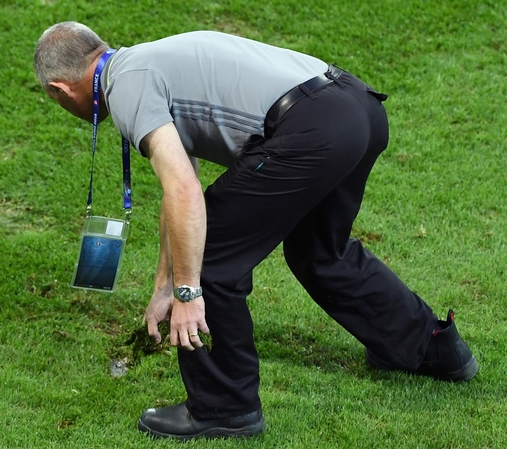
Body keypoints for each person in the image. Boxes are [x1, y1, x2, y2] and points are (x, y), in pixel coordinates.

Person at [34, 21, 479, 441]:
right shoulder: (145, 61)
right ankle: (434, 349)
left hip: (310, 129)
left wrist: (188, 291)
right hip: (356, 108)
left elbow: (186, 193)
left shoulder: (125, 86)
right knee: (321, 253)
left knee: (209, 261)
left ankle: (223, 407)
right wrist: (164, 285)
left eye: (56, 100)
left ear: (60, 88)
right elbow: (180, 191)